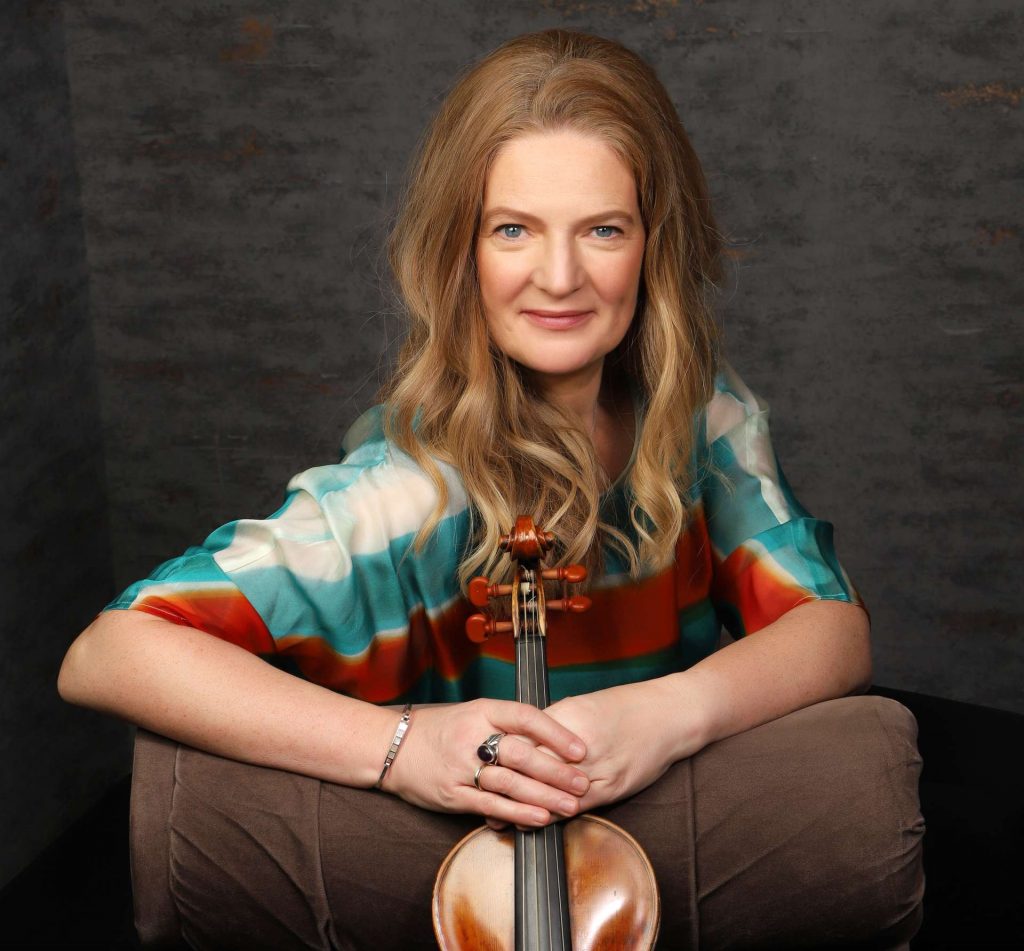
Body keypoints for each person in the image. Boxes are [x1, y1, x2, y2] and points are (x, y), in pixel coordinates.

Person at [58, 28, 923, 949]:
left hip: (647, 842)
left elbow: (834, 626)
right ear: (461, 251)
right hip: (466, 866)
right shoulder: (406, 489)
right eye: (513, 229)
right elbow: (110, 652)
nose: (560, 276)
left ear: (652, 247)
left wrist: (669, 713)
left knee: (864, 759)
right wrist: (401, 750)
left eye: (603, 229)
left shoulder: (701, 417)